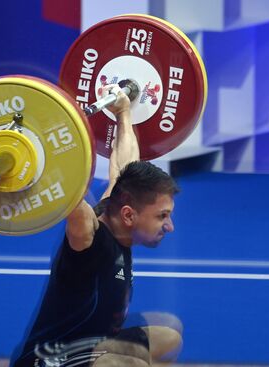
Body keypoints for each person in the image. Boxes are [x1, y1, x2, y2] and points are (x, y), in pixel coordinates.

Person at [11, 85, 182, 367]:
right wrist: (32, 157)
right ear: (129, 215)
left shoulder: (114, 207)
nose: (170, 226)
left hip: (89, 346)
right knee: (126, 364)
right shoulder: (88, 240)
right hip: (48, 359)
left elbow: (123, 166)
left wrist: (124, 113)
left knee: (167, 336)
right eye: (162, 216)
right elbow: (68, 195)